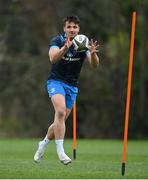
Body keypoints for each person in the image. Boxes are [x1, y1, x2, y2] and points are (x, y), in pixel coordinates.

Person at [34, 15, 99, 165]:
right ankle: (61, 152)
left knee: (60, 119)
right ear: (64, 28)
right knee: (61, 111)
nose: (72, 29)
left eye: (75, 27)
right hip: (55, 81)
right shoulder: (57, 41)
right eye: (69, 27)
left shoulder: (83, 42)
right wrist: (65, 48)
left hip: (72, 85)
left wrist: (94, 54)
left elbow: (94, 66)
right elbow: (52, 58)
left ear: (78, 29)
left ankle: (43, 143)